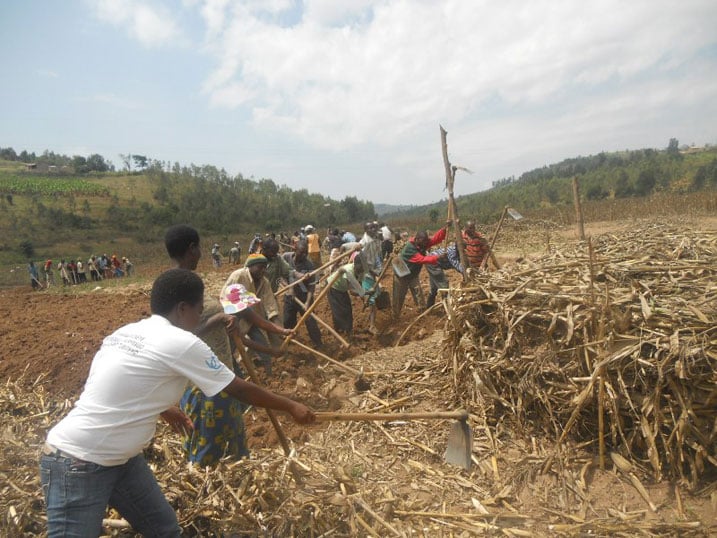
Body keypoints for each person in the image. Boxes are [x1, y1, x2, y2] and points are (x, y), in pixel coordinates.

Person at [40, 268, 314, 537]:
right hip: (78, 461)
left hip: (122, 460)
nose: (198, 318)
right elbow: (237, 389)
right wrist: (291, 406)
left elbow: (119, 385)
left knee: (165, 530)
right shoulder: (182, 341)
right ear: (183, 308)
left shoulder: (126, 333)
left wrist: (163, 407)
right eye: (197, 310)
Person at [164, 224, 292, 467]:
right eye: (199, 248)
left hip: (220, 377)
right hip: (204, 386)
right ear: (193, 249)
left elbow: (250, 325)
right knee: (208, 457)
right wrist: (218, 319)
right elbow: (176, 338)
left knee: (231, 454)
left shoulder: (188, 282)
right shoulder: (179, 287)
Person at [221, 253, 282, 374]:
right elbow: (225, 296)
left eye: (265, 267)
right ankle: (234, 372)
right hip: (234, 318)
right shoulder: (238, 275)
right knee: (229, 351)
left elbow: (270, 305)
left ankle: (269, 375)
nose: (263, 270)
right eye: (260, 267)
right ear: (250, 266)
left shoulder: (264, 282)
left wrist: (279, 328)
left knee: (262, 345)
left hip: (252, 318)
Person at [392, 222, 450, 318]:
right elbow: (422, 259)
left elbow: (436, 239)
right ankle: (395, 317)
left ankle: (423, 314)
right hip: (401, 275)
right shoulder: (410, 249)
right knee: (399, 297)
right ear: (417, 239)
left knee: (419, 294)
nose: (425, 243)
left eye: (426, 241)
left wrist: (444, 229)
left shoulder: (423, 243)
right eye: (423, 241)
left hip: (413, 274)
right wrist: (438, 257)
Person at [283, 239, 323, 348]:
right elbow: (281, 273)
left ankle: (318, 343)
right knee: (287, 321)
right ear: (295, 250)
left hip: (304, 297)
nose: (304, 255)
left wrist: (307, 302)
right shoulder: (286, 257)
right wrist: (288, 288)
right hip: (289, 297)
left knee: (310, 321)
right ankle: (289, 342)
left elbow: (311, 286)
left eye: (306, 252)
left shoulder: (309, 265)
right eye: (301, 252)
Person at [326, 252, 365, 338]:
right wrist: (366, 293)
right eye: (360, 267)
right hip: (333, 286)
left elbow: (360, 285)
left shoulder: (362, 271)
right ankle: (340, 331)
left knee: (347, 309)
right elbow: (352, 292)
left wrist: (363, 297)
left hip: (342, 289)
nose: (361, 269)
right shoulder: (348, 271)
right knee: (338, 309)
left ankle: (347, 330)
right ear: (355, 264)